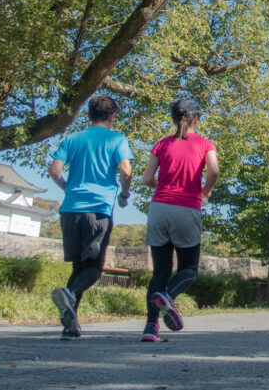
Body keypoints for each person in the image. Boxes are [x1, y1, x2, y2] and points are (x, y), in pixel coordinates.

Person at [48, 95, 134, 340]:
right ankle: (71, 293)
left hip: (70, 210)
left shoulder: (72, 139)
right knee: (94, 270)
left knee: (79, 266)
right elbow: (126, 171)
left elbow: (55, 171)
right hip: (98, 211)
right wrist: (124, 195)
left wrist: (69, 189)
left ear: (88, 116)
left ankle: (70, 325)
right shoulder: (117, 139)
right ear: (112, 117)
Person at [140, 99, 220, 342]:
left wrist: (162, 186)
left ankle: (150, 328)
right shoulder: (205, 144)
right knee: (188, 270)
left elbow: (146, 179)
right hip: (186, 208)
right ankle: (168, 296)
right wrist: (205, 190)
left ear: (173, 119)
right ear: (196, 118)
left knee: (160, 271)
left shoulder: (161, 144)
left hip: (159, 209)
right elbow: (214, 172)